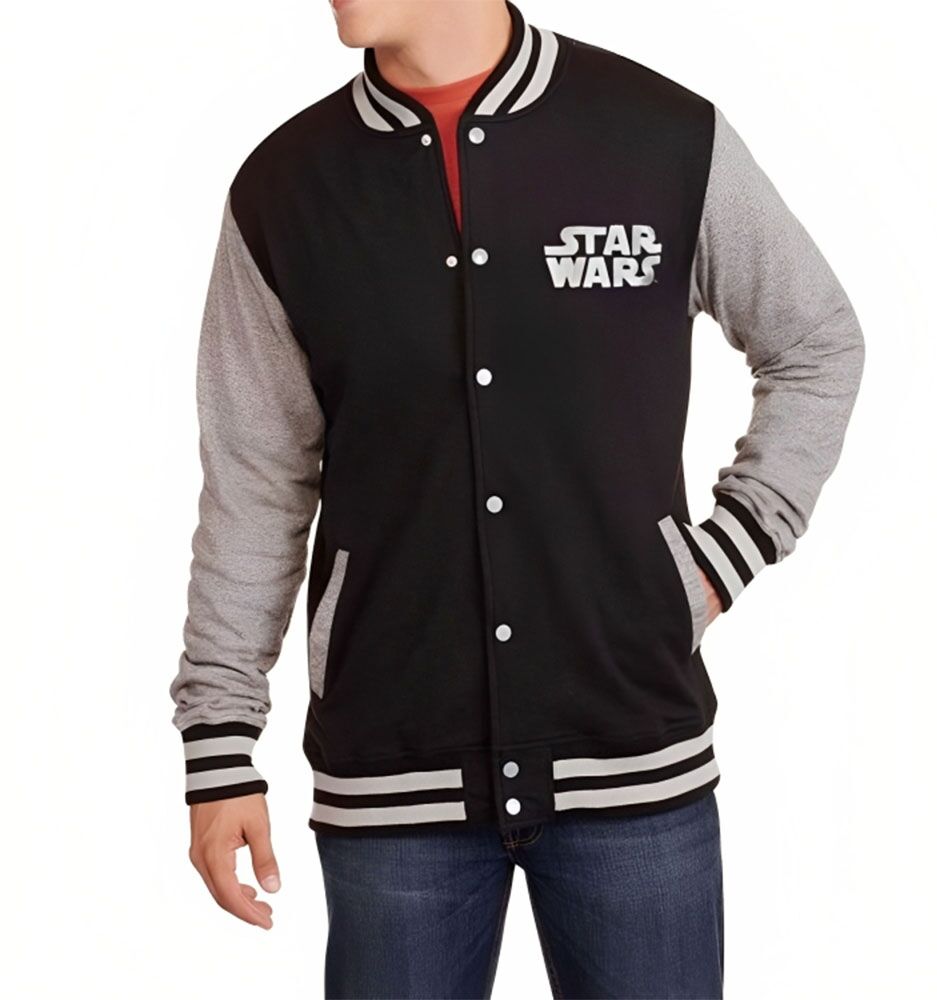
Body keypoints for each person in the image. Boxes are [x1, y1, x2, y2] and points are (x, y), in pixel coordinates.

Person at [169, 1, 866, 996]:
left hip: (631, 748)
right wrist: (220, 744)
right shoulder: (285, 188)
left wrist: (718, 557)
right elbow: (254, 477)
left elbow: (815, 343)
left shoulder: (660, 137)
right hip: (392, 772)